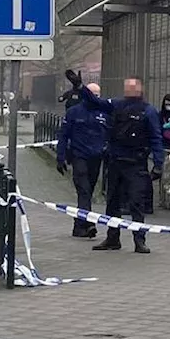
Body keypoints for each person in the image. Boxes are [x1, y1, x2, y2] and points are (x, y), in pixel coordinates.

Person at [66, 70, 164, 254]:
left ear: (141, 89)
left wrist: (158, 163)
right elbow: (95, 102)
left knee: (136, 203)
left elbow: (156, 138)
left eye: (134, 86)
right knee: (112, 202)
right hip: (115, 162)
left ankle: (139, 240)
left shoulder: (148, 111)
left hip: (136, 163)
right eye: (128, 86)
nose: (130, 89)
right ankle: (112, 238)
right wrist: (81, 88)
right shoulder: (117, 104)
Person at [56, 83, 107, 238]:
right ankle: (89, 223)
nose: (95, 98)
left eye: (98, 95)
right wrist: (61, 157)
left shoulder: (104, 113)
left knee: (87, 192)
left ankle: (79, 227)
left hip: (96, 158)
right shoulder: (74, 112)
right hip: (79, 156)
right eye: (93, 94)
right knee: (84, 190)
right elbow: (63, 136)